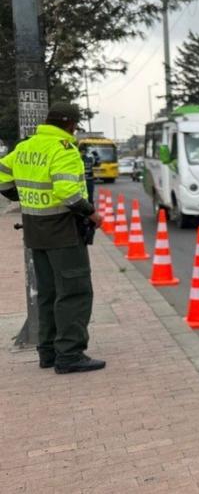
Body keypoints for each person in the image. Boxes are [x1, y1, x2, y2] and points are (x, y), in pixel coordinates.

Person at [0, 102, 106, 374]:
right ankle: (70, 354)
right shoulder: (64, 149)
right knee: (74, 291)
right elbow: (68, 192)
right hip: (63, 231)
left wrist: (20, 197)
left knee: (48, 292)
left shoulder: (24, 147)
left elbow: (2, 177)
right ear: (71, 124)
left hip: (35, 230)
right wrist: (92, 214)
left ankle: (47, 352)